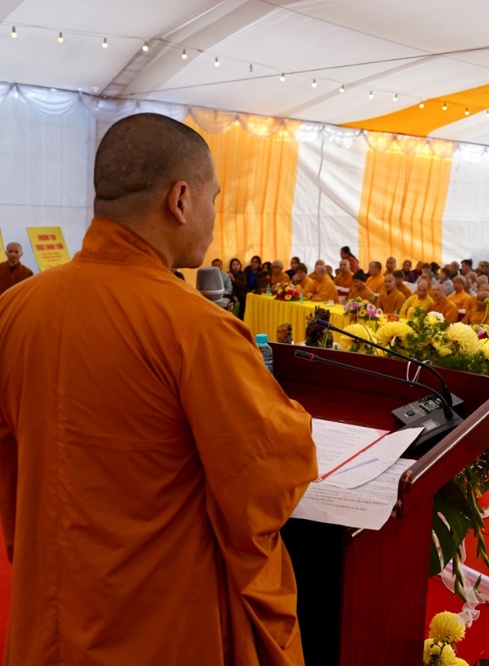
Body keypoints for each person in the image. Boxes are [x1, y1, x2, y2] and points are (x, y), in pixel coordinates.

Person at [0, 113, 317, 663]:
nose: (213, 217)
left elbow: (10, 461)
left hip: (49, 609)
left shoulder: (14, 309)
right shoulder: (196, 327)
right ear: (181, 199)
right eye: (214, 198)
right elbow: (267, 473)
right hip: (154, 621)